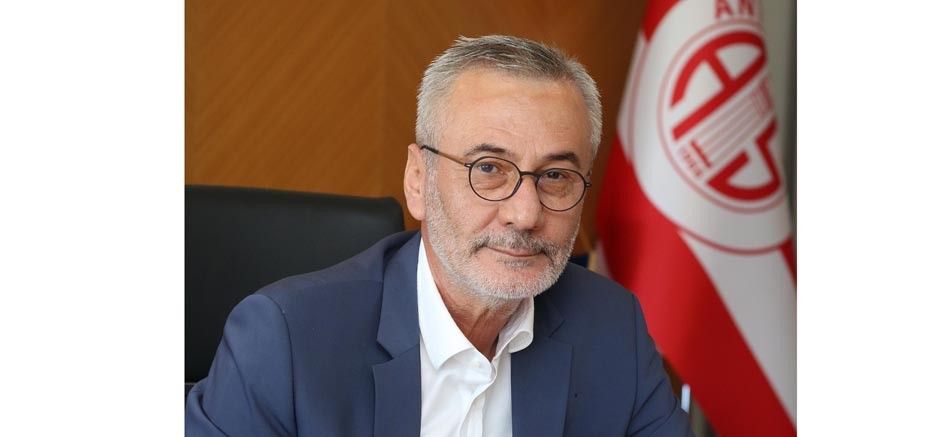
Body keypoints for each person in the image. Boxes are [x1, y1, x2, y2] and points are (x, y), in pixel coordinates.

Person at [186, 35, 693, 436]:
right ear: (418, 181)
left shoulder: (612, 328)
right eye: (488, 168)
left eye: (556, 176)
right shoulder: (284, 340)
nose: (524, 214)